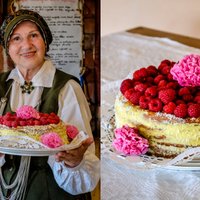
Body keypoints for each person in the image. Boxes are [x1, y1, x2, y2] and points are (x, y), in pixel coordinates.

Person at [0, 9, 100, 200]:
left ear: (45, 41)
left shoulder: (67, 87)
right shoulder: (1, 85)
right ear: (7, 47)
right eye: (16, 38)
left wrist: (74, 162)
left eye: (33, 35)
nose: (26, 45)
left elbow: (84, 162)